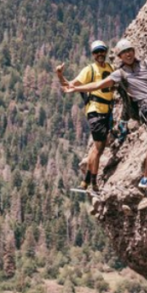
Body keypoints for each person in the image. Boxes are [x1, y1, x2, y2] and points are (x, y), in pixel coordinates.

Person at [64, 39, 147, 193]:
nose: (128, 54)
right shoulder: (120, 73)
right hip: (146, 108)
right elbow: (99, 85)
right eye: (124, 53)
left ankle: (146, 178)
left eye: (130, 50)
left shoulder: (145, 64)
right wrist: (77, 88)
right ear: (119, 56)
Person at [56, 40, 114, 192]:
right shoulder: (90, 70)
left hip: (106, 112)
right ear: (93, 55)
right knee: (98, 147)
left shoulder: (110, 68)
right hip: (95, 111)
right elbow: (70, 85)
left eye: (102, 51)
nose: (100, 54)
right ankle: (93, 184)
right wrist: (60, 75)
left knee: (98, 149)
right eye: (97, 52)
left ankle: (87, 181)